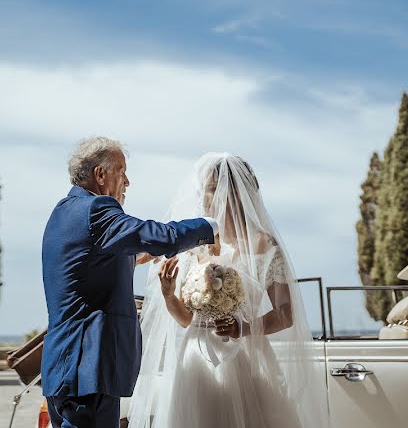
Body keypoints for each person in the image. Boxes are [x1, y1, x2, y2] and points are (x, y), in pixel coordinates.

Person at [128, 153, 332, 428]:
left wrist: (243, 328)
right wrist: (168, 294)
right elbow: (188, 320)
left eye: (211, 189)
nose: (204, 196)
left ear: (235, 193)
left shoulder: (263, 244)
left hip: (243, 361)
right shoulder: (196, 245)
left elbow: (285, 314)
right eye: (206, 188)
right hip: (194, 363)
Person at [41, 137, 219, 428]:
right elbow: (161, 236)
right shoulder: (96, 210)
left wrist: (141, 255)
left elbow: (94, 263)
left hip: (66, 369)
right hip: (89, 370)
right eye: (121, 171)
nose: (128, 181)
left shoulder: (64, 212)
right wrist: (211, 226)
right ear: (100, 175)